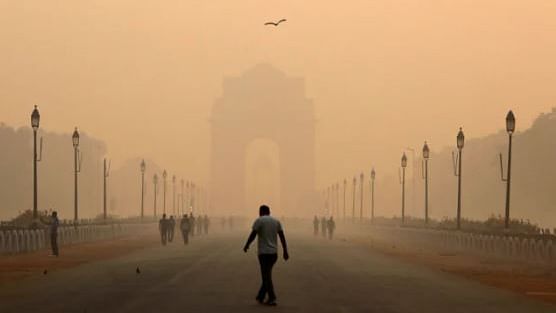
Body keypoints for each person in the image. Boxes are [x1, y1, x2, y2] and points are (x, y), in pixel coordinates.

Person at [243, 205, 289, 306]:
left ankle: (272, 297)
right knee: (267, 275)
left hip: (263, 253)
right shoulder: (276, 221)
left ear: (261, 212)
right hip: (273, 254)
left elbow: (253, 234)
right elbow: (282, 237)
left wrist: (247, 245)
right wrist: (285, 251)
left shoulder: (259, 221)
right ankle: (260, 296)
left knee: (266, 276)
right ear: (269, 212)